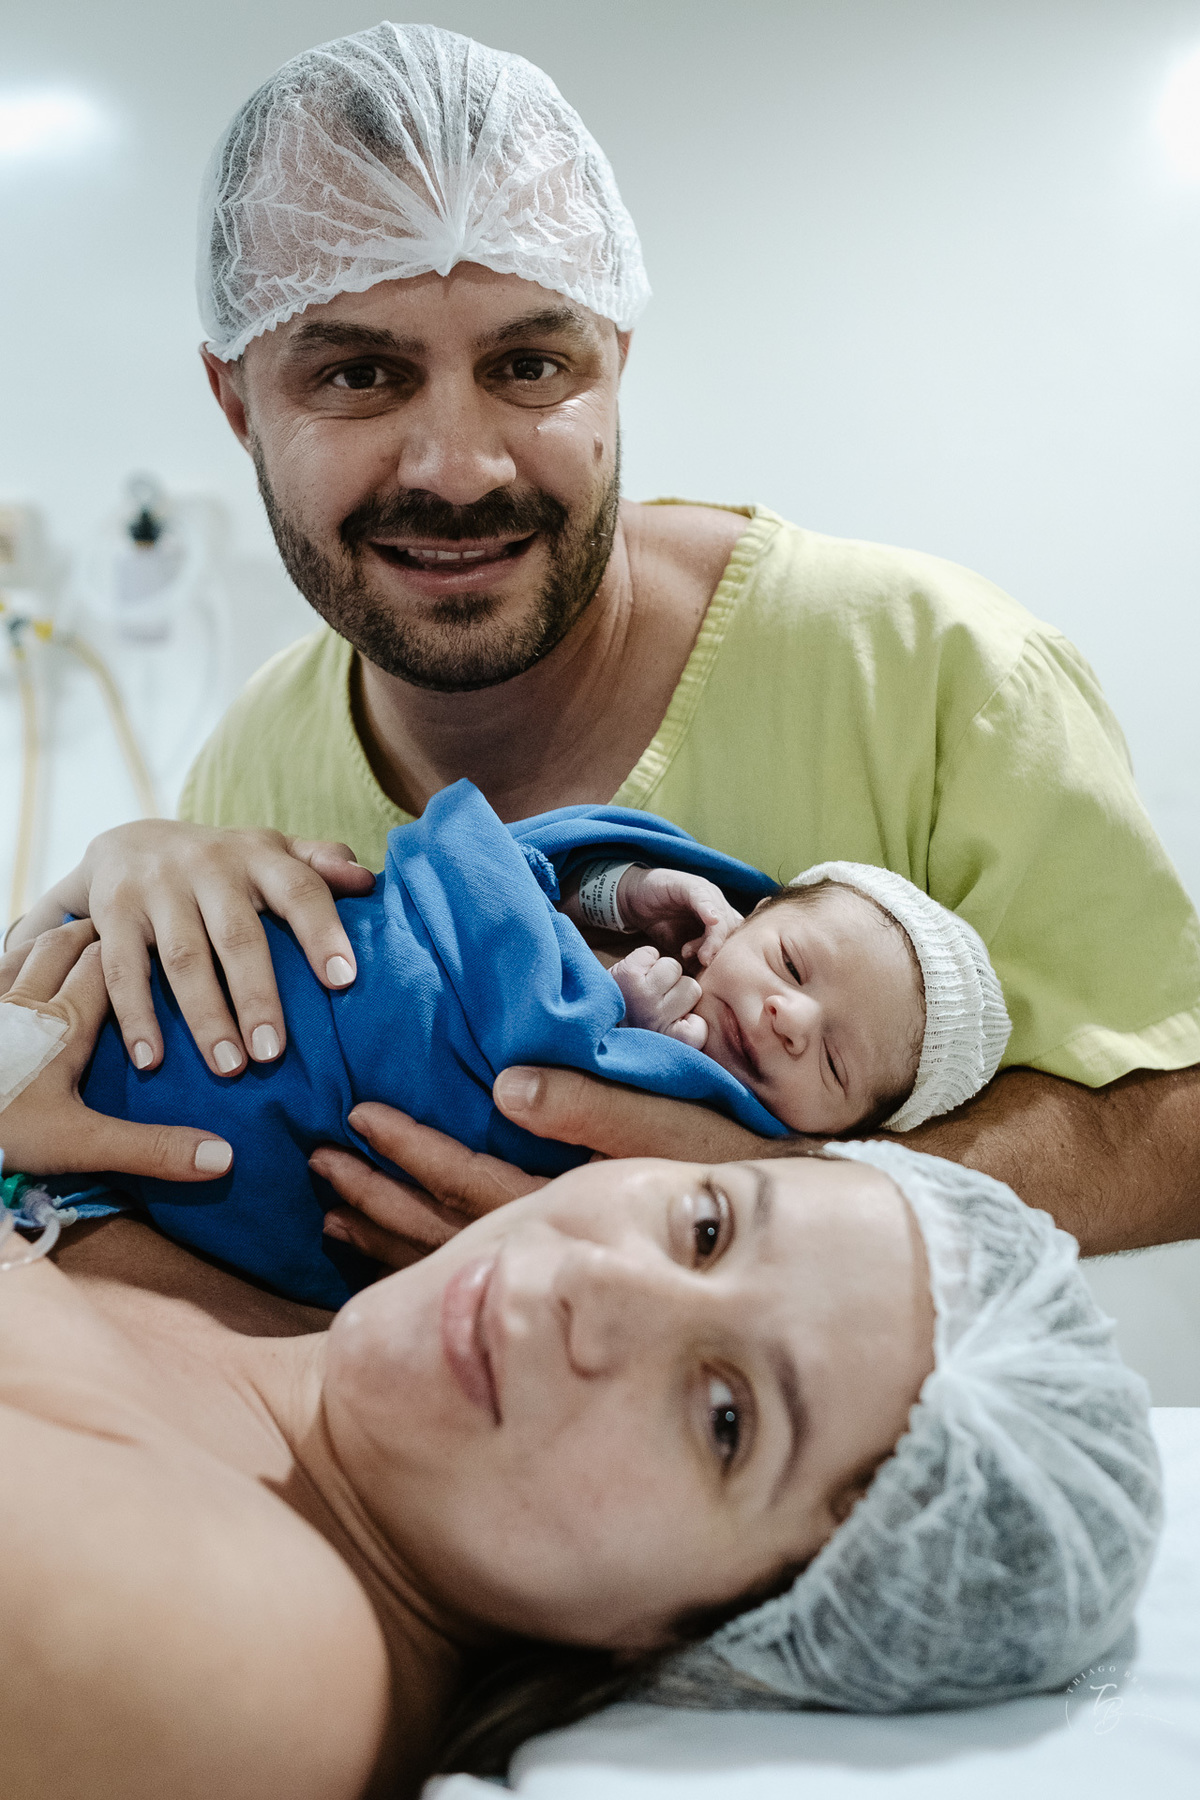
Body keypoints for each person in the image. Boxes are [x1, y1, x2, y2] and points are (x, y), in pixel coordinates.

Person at [11, 21, 1200, 1257]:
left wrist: (767, 1205)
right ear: (236, 404)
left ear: (614, 361)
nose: (459, 467)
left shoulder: (939, 676)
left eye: (530, 364)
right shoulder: (256, 754)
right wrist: (68, 939)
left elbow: (1179, 1124)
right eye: (359, 375)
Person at [0, 923, 1164, 1798]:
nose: (598, 1289)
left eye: (726, 1420)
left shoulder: (250, 1664)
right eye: (705, 1227)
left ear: (700, 1641)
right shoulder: (274, 1268)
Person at [35, 784, 1006, 1310]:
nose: (793, 1018)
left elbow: (540, 1078)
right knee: (65, 989)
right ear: (742, 915)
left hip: (226, 1162)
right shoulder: (648, 927)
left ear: (841, 1138)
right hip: (229, 980)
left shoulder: (722, 1152)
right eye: (791, 962)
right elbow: (494, 860)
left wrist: (609, 1023)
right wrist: (617, 894)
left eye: (834, 1063)